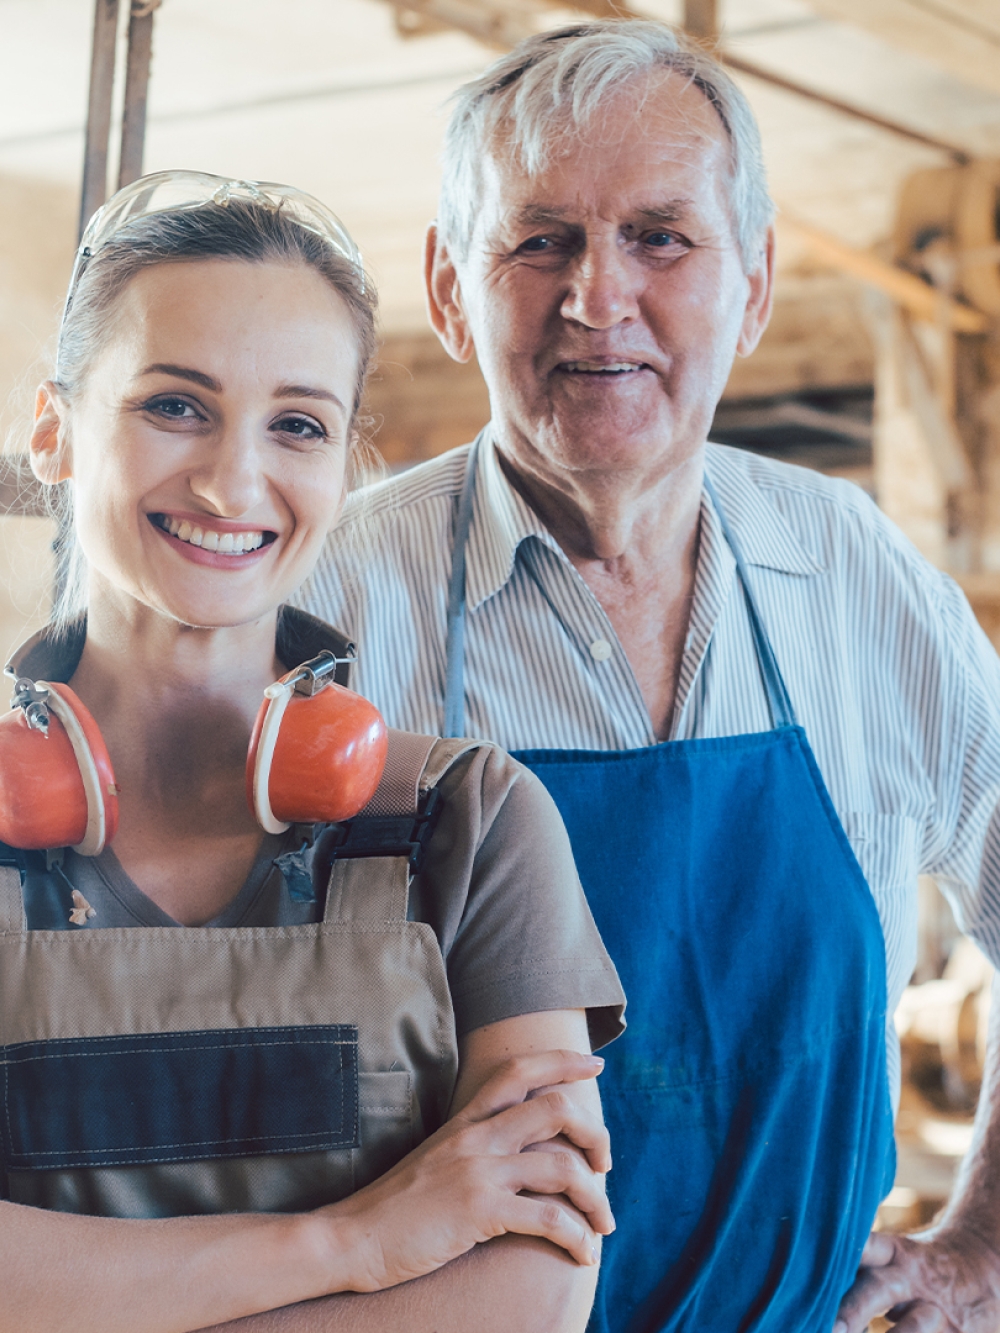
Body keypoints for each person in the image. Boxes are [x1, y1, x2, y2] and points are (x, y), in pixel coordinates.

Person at [303, 20, 1000, 1333]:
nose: (599, 298)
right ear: (451, 287)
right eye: (541, 238)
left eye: (661, 237)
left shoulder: (856, 574)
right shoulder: (331, 601)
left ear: (756, 281)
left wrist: (984, 1244)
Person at [0, 169, 626, 1333]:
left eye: (297, 423)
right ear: (55, 430)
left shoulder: (471, 821)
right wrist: (357, 1239)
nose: (235, 479)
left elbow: (531, 1283)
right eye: (174, 405)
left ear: (343, 467)